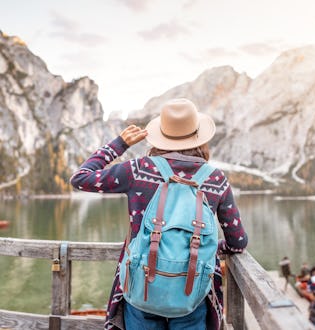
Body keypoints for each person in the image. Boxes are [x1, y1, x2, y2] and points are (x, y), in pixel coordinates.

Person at [70, 98, 248, 330]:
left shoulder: (138, 169)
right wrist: (217, 247)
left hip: (141, 290)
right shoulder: (215, 179)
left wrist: (120, 144)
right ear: (199, 137)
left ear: (161, 136)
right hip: (193, 295)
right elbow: (238, 241)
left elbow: (80, 178)